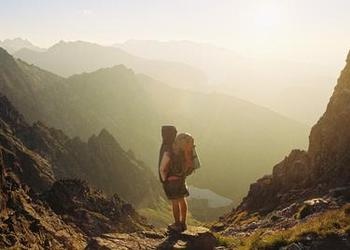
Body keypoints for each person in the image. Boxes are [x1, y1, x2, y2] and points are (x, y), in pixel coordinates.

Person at [159, 126, 194, 232]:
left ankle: (177, 224)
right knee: (182, 200)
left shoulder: (168, 150)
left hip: (171, 181)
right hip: (181, 179)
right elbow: (188, 165)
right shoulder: (182, 150)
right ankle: (183, 223)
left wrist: (164, 179)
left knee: (175, 203)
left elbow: (162, 168)